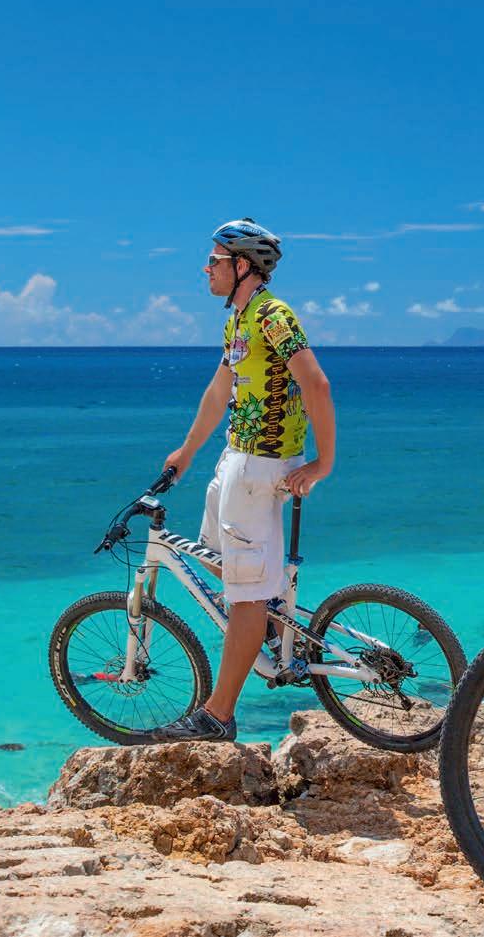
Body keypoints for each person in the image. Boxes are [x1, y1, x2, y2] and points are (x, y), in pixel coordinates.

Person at [150, 218, 336, 743]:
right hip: (236, 460)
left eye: (213, 260)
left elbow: (317, 384)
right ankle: (273, 622)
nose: (205, 268)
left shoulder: (273, 316)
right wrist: (187, 452)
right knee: (217, 559)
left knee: (246, 596)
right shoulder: (239, 318)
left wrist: (322, 464)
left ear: (241, 266)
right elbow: (219, 390)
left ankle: (217, 716)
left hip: (261, 467)